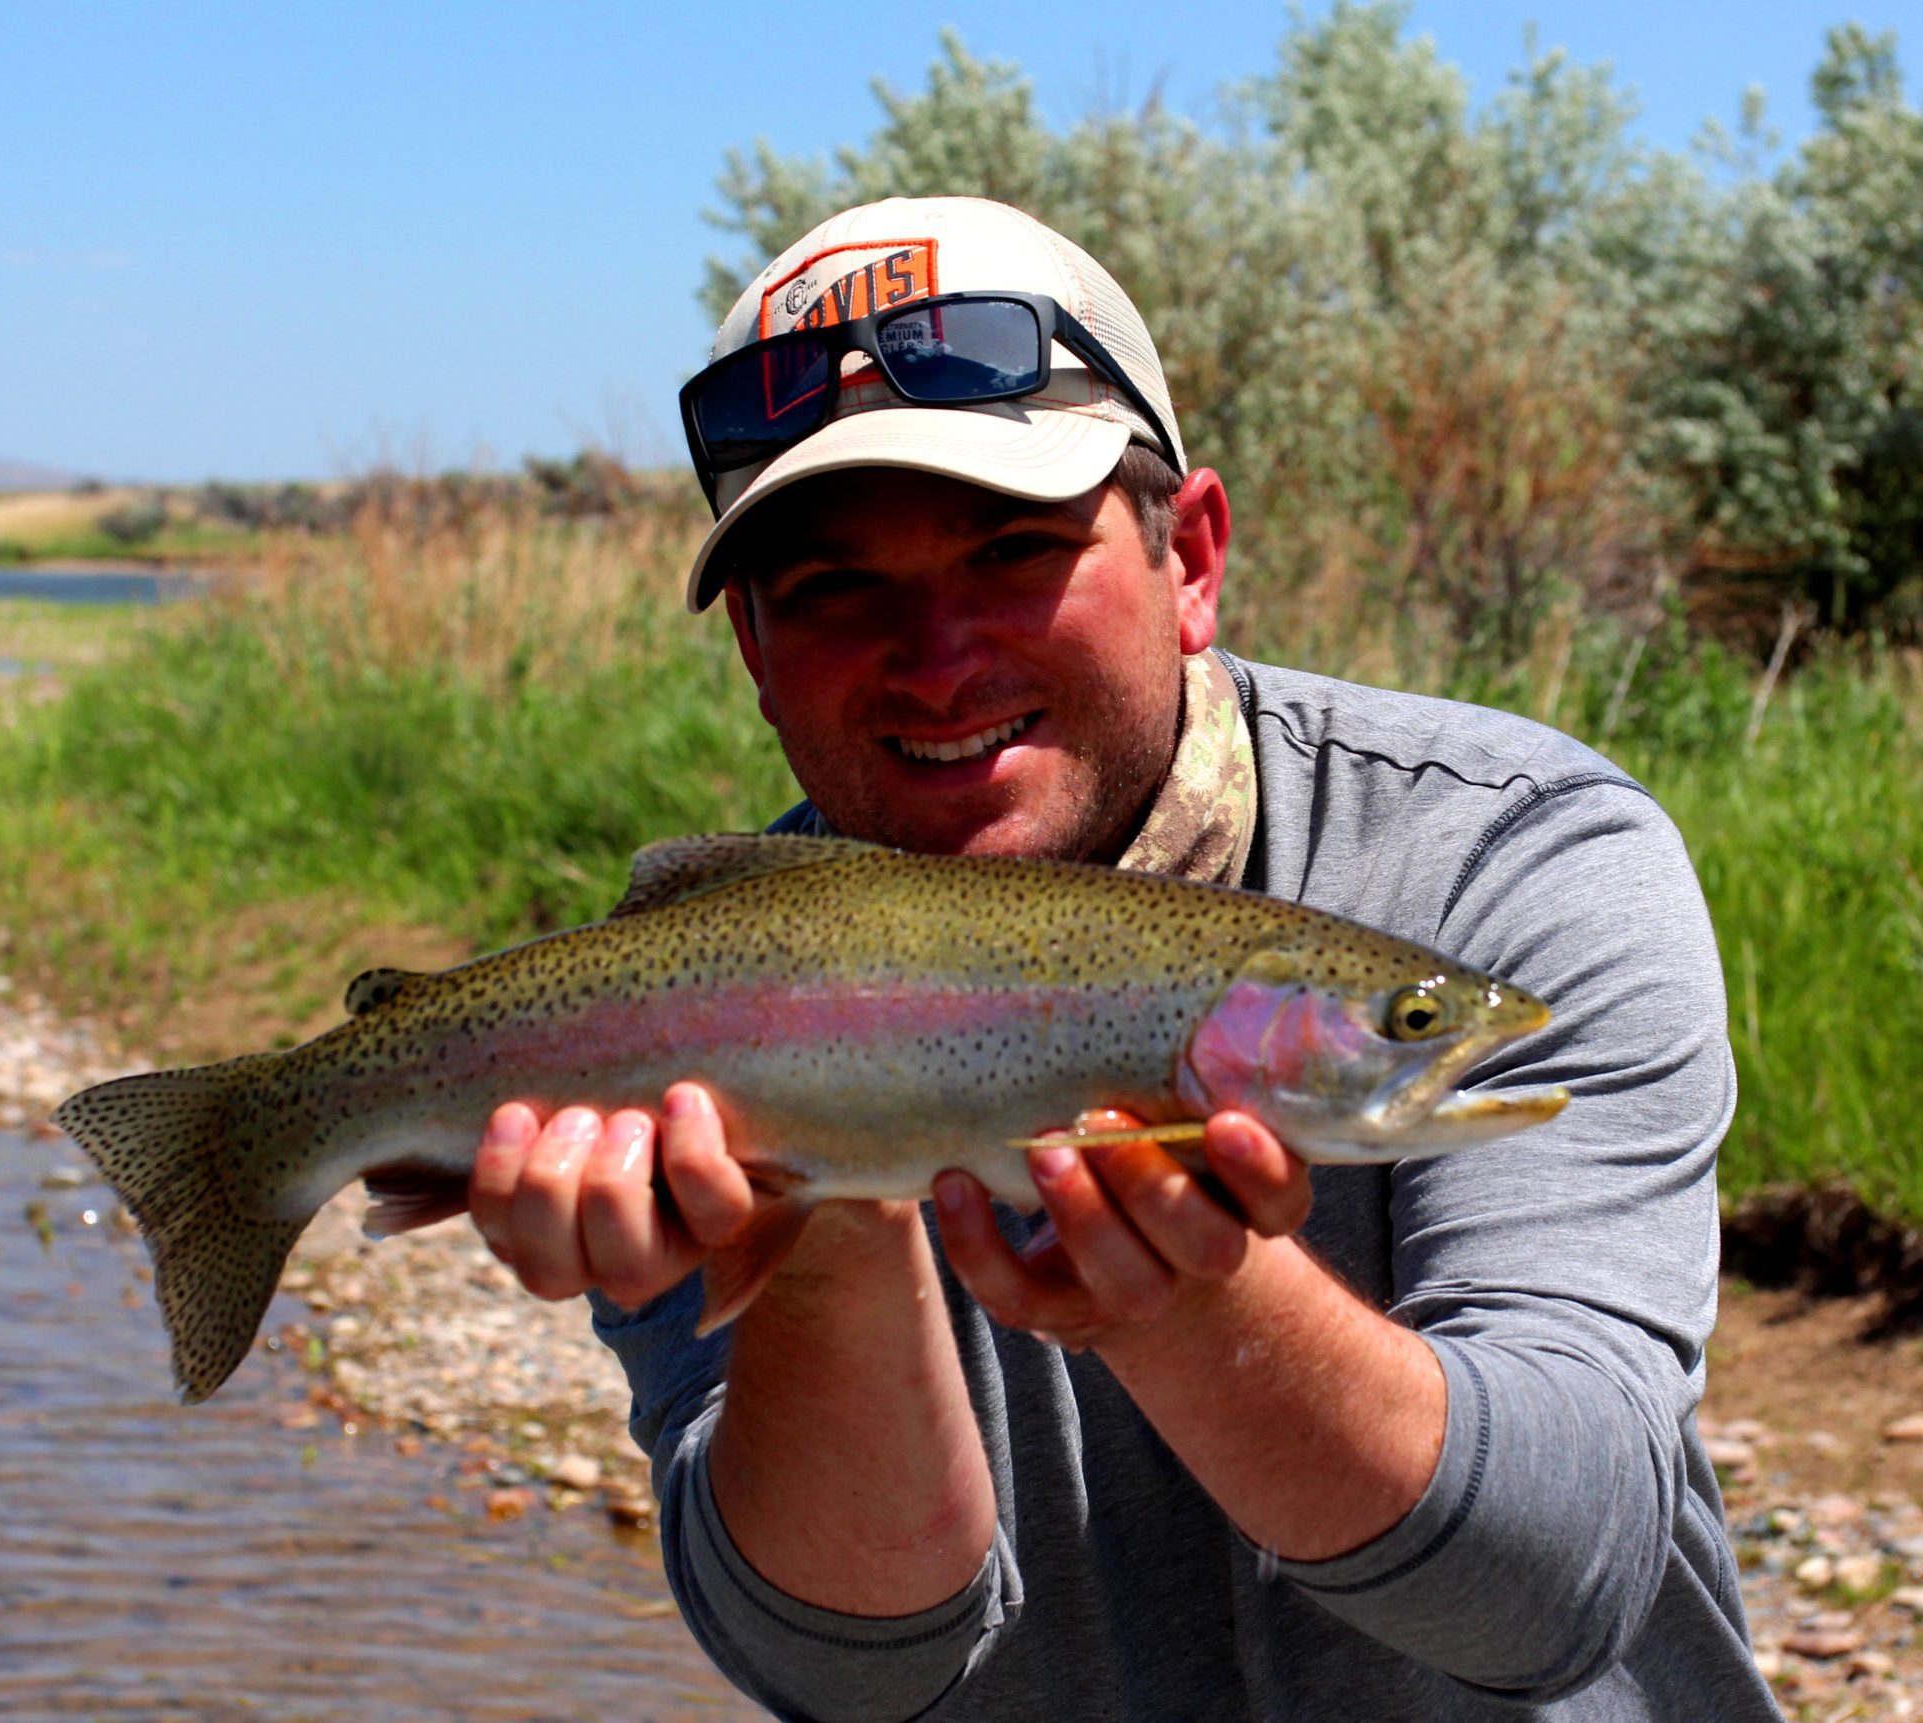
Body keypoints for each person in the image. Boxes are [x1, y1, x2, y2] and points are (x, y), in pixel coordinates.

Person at [467, 197, 1781, 1721]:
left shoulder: (1513, 860)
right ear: (758, 654)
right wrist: (818, 1219)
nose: (939, 658)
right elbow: (847, 1677)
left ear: (1192, 557)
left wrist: (1181, 1300)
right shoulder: (688, 1004)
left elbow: (1557, 1588)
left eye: (1014, 549)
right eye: (834, 589)